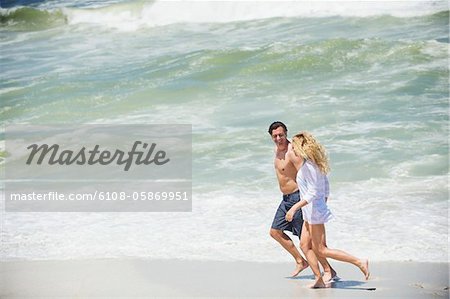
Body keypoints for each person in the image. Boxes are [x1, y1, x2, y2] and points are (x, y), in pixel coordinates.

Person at [285, 131, 370, 288]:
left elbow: (313, 192)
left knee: (321, 249)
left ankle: (359, 262)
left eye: (294, 147)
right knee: (304, 244)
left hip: (314, 212)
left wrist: (295, 208)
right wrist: (321, 203)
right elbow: (325, 186)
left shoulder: (309, 166)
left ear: (300, 147)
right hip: (311, 211)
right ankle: (318, 278)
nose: (292, 150)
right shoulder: (311, 164)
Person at [268, 121, 336, 280]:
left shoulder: (293, 152)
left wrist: (319, 199)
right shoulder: (276, 150)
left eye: (281, 135)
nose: (279, 139)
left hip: (298, 198)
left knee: (307, 242)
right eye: (275, 136)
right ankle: (300, 261)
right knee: (275, 232)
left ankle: (327, 270)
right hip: (285, 200)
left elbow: (309, 177)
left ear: (286, 133)